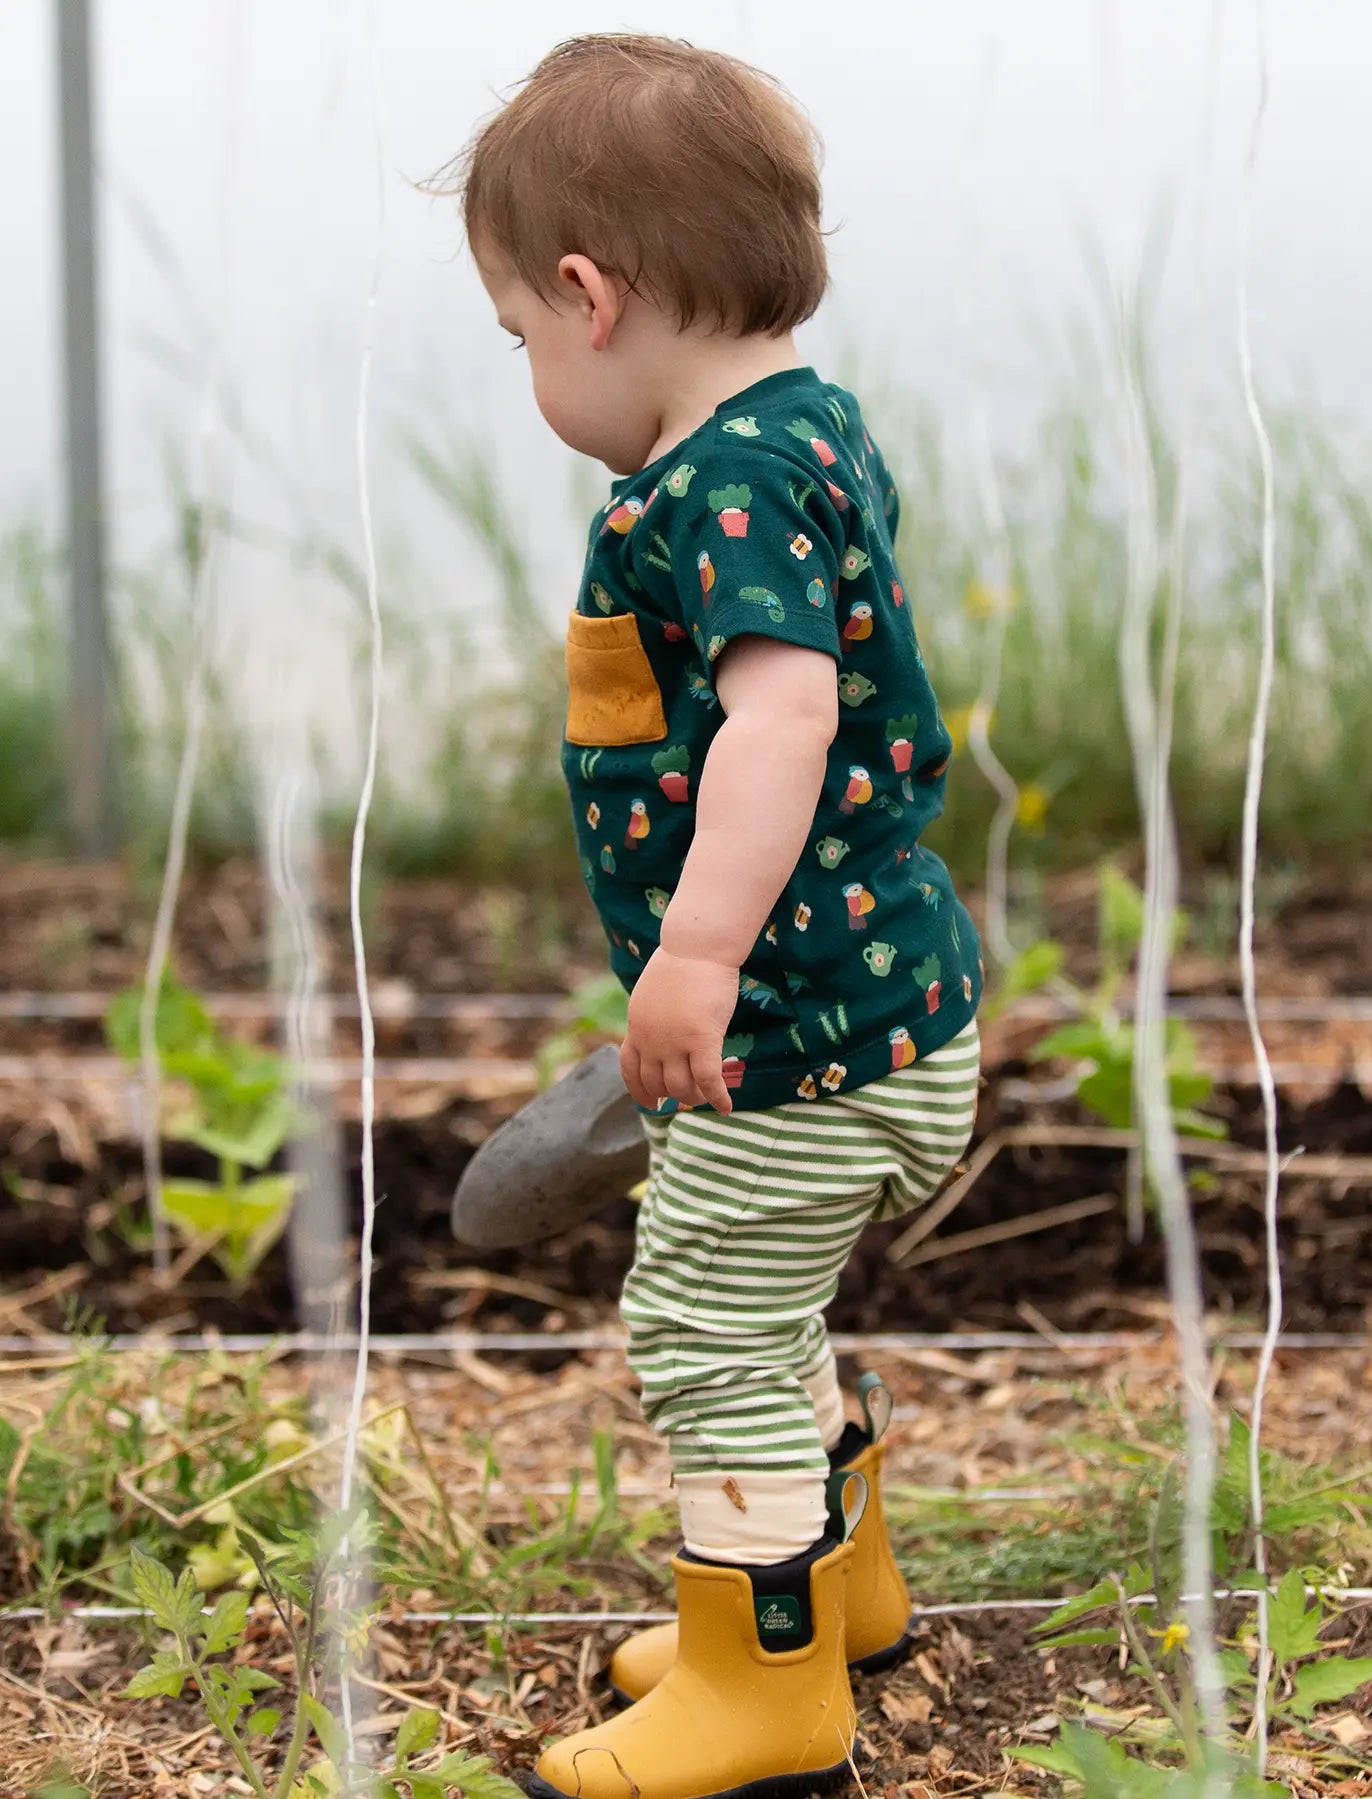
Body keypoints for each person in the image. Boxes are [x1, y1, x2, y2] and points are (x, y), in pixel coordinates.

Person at [455, 34, 984, 1799]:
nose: (530, 363)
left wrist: (693, 960)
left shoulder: (719, 488)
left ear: (591, 298)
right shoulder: (805, 421)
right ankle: (838, 1588)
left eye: (518, 332)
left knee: (703, 1323)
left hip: (798, 1041)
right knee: (772, 1307)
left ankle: (763, 1681)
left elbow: (783, 715)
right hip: (890, 1006)